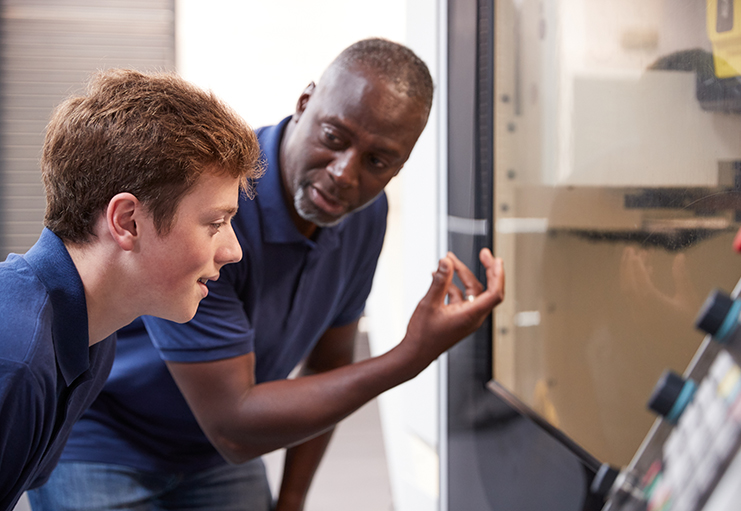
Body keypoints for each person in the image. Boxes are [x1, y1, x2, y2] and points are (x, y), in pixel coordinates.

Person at [31, 39, 505, 511]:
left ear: (400, 166)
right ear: (304, 103)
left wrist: (292, 499)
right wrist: (410, 355)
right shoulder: (214, 196)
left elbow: (330, 362)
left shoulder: (362, 214)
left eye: (378, 161)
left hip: (215, 454)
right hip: (106, 440)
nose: (344, 173)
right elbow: (234, 425)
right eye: (334, 138)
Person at [0, 68, 261, 511]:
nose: (233, 250)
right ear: (127, 221)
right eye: (215, 224)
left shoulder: (91, 333)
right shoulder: (18, 359)